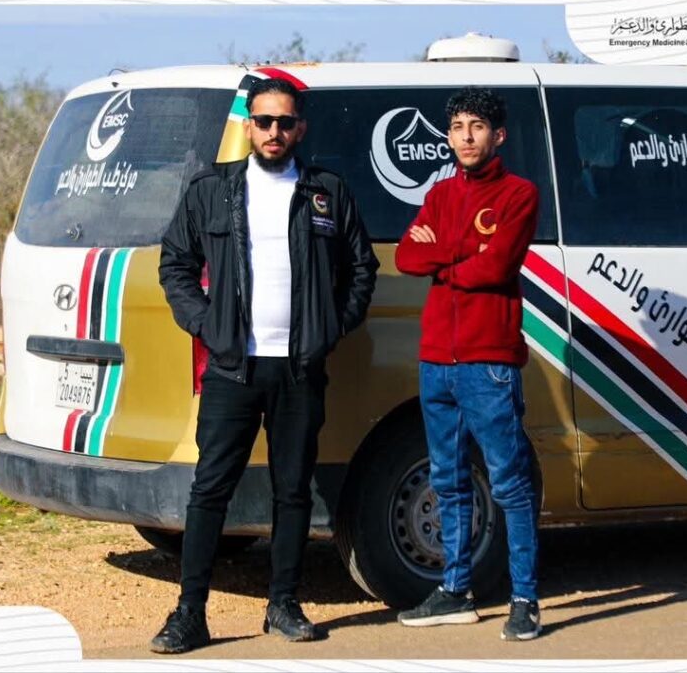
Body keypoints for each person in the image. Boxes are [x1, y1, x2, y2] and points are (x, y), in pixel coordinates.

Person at [154, 77, 378, 654]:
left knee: (293, 491)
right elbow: (175, 263)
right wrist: (206, 324)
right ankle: (189, 613)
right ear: (249, 126)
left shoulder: (326, 191)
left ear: (300, 128)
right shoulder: (212, 190)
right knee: (210, 489)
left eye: (284, 121)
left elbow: (361, 267)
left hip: (299, 370)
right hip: (233, 368)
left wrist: (333, 327)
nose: (274, 131)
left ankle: (283, 604)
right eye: (263, 121)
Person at [393, 87, 542, 641]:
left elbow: (496, 267)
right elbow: (407, 256)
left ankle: (525, 600)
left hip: (488, 363)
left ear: (497, 135)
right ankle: (454, 591)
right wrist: (463, 250)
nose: (466, 136)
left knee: (509, 483)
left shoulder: (519, 193)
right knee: (448, 480)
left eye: (476, 126)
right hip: (437, 360)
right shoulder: (440, 194)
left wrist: (443, 253)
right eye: (457, 127)